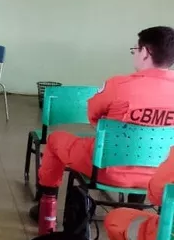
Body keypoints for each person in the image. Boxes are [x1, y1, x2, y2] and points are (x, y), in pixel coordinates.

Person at [31, 26, 174, 222]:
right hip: (160, 176)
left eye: (135, 49)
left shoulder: (118, 85)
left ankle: (46, 204)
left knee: (56, 139)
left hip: (107, 169)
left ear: (145, 52)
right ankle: (134, 208)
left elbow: (93, 115)